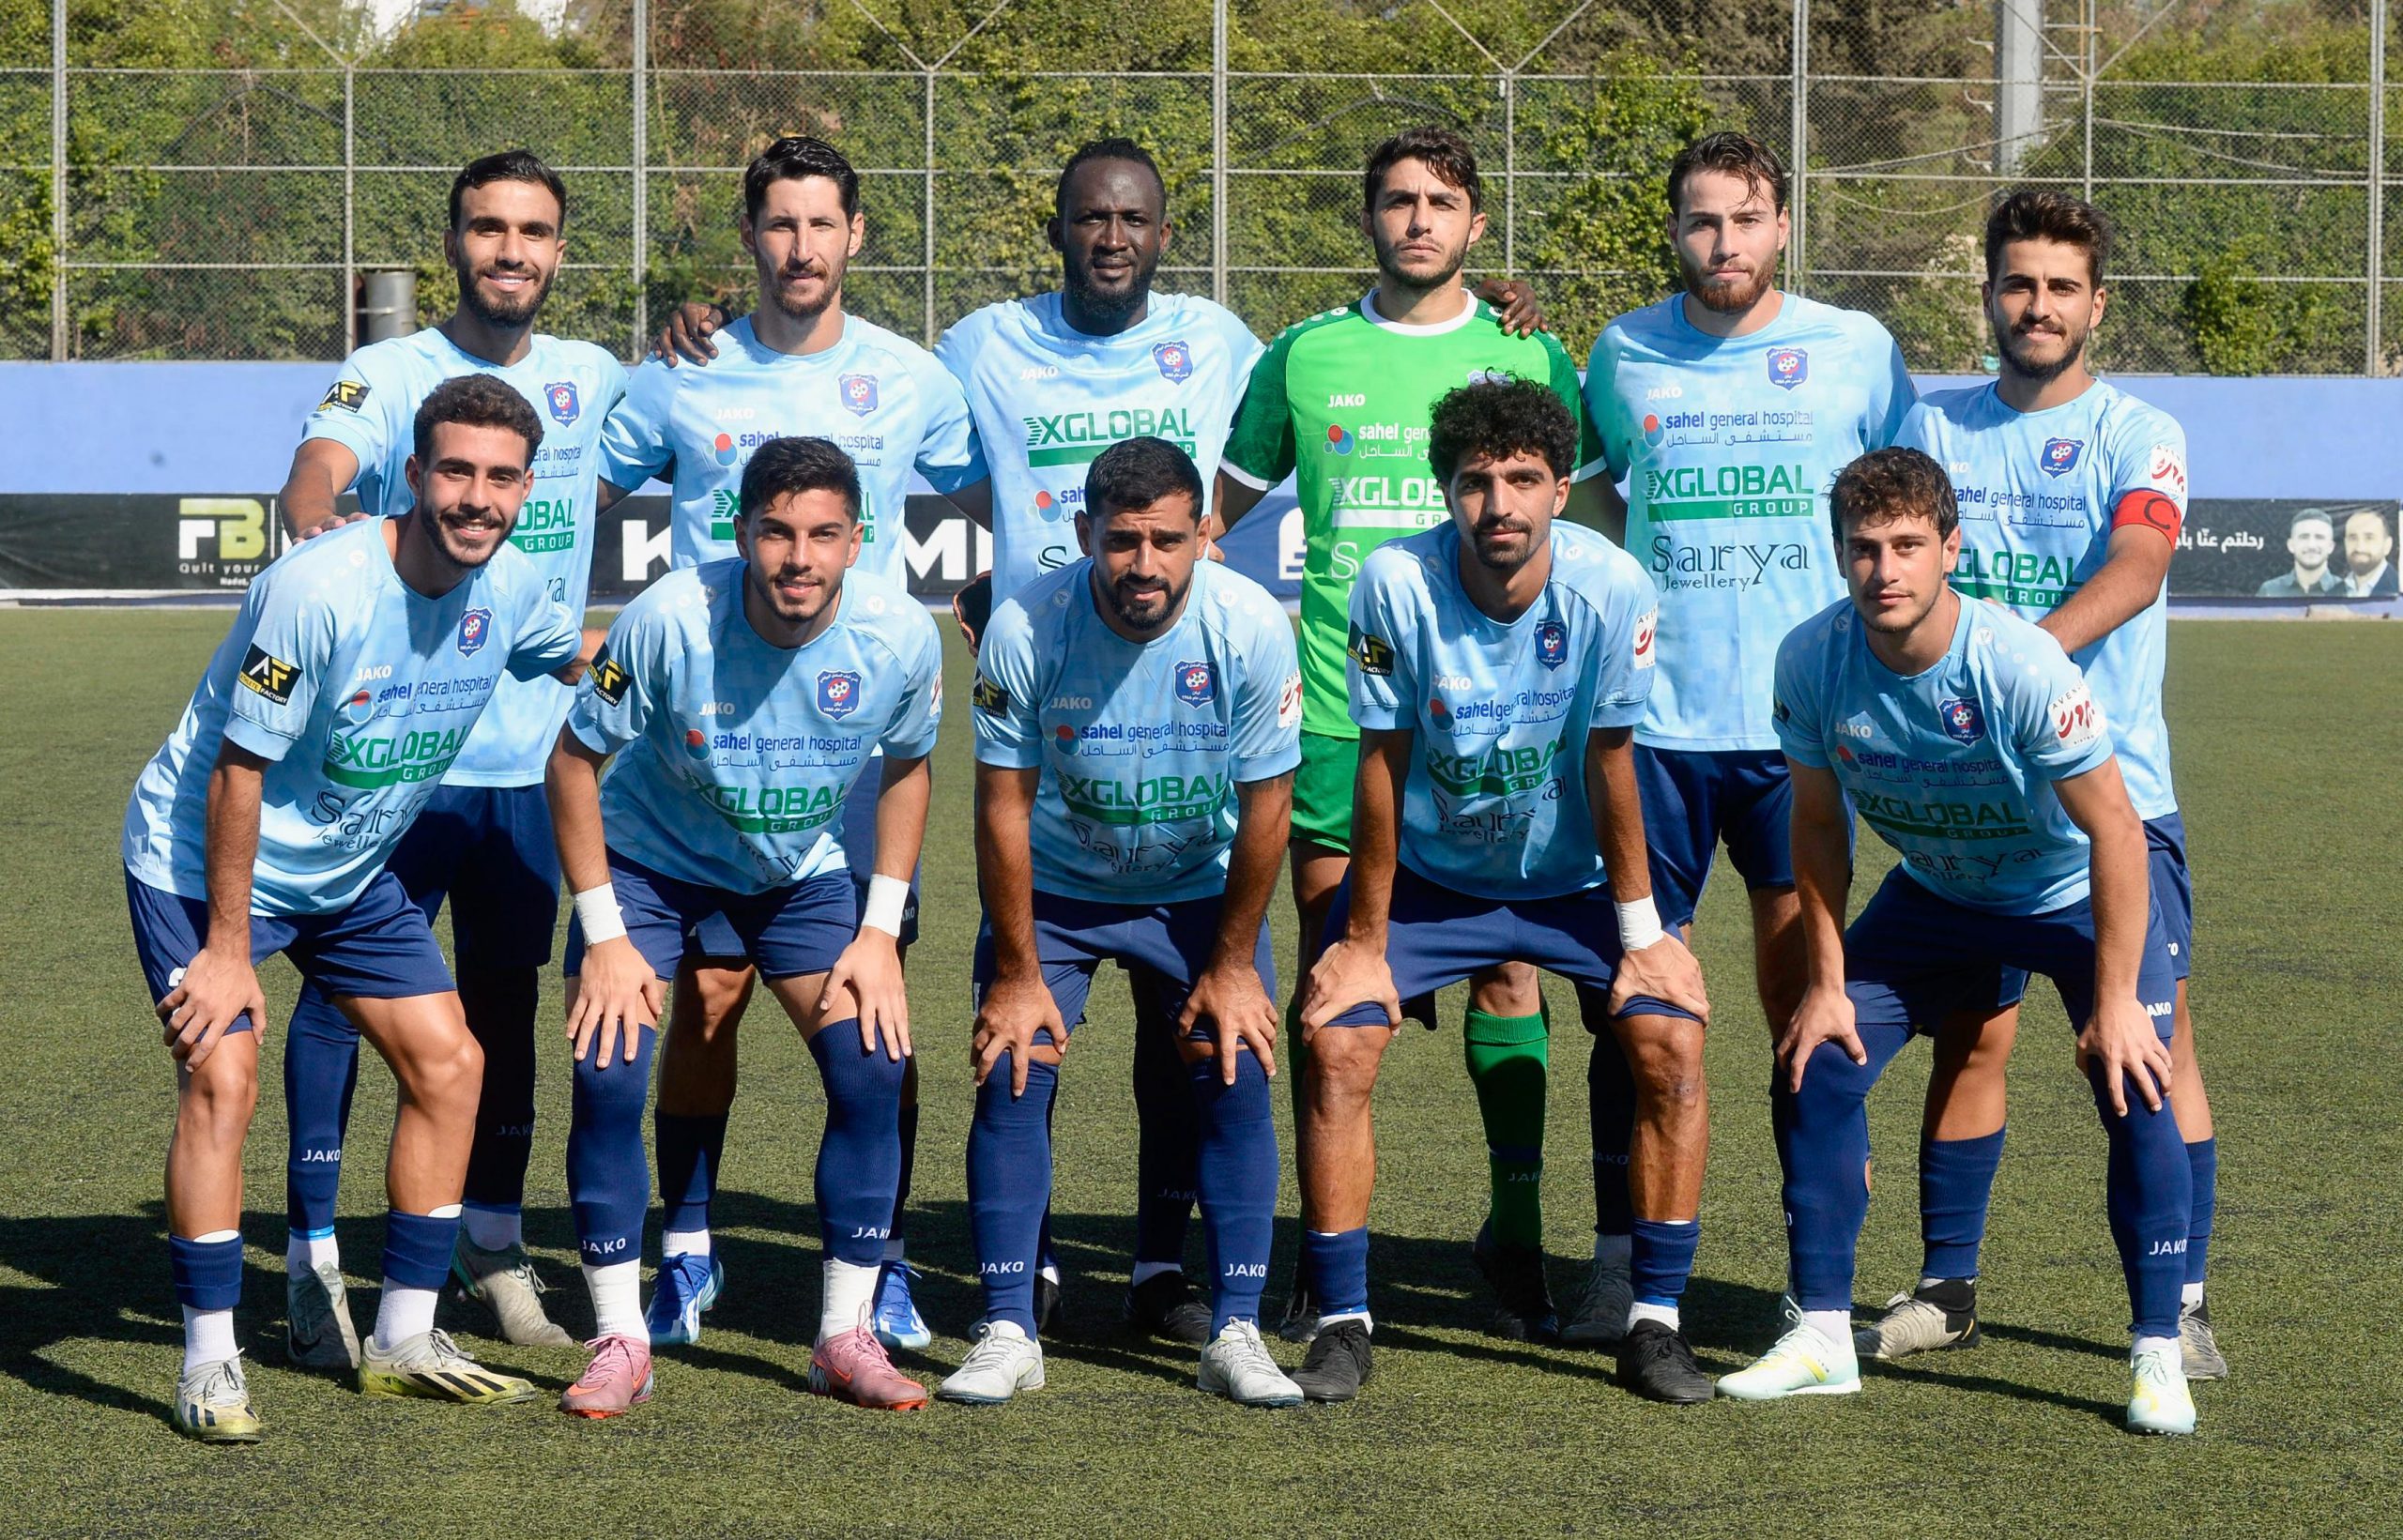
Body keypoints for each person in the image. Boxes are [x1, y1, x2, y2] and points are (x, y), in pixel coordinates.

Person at [124, 375, 583, 1441]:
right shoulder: (317, 589)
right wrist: (227, 950)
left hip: (343, 867)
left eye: (501, 478)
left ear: (526, 490)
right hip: (202, 861)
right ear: (414, 475)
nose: (476, 498)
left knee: (451, 1064)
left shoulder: (514, 587)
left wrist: (685, 661)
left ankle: (405, 1339)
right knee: (222, 1074)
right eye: (455, 471)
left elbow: (581, 662)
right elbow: (237, 770)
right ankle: (208, 1362)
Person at [1214, 127, 1611, 1343]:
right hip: (1345, 721)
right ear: (1369, 218)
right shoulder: (1304, 355)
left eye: (1442, 201)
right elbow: (1214, 514)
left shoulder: (1530, 349)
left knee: (1508, 966)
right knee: (1335, 983)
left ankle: (1515, 1229)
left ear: (1477, 223)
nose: (1419, 220)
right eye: (1398, 200)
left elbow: (1588, 529)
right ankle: (1322, 1254)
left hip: (1502, 716)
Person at [593, 135, 988, 1353]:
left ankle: (886, 1261)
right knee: (705, 1001)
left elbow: (994, 492)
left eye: (823, 224)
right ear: (750, 236)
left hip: (843, 742)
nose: (801, 247)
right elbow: (579, 494)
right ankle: (688, 1245)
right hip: (704, 737)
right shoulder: (685, 369)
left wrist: (1000, 605)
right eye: (780, 224)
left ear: (855, 235)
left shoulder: (913, 379)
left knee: (874, 1008)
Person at [1722, 446, 2196, 1439]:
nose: (1883, 569)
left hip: (2068, 893)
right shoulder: (1810, 658)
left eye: (1907, 545)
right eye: (1863, 548)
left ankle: (2157, 1347)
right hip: (1938, 893)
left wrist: (2116, 1001)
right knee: (1816, 1059)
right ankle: (1821, 1334)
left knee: (2136, 1077)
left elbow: (2117, 832)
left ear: (1950, 548)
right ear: (1839, 554)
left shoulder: (2017, 662)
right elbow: (1818, 825)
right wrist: (1826, 981)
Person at [1292, 377, 1711, 1406]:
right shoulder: (1393, 582)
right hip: (1435, 876)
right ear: (1445, 491)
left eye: (1523, 479)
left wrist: (1643, 933)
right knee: (1338, 1038)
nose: (1499, 504)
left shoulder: (1612, 587)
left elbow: (1612, 761)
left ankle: (1655, 1320)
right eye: (1476, 481)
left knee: (1671, 1038)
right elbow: (1381, 761)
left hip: (1574, 880)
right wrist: (1364, 940)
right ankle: (1341, 1316)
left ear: (1561, 490)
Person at [270, 148, 625, 1361]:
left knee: (504, 1009)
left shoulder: (596, 377)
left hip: (529, 768)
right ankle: (313, 1254)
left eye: (532, 231)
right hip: (396, 769)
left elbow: (689, 450)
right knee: (339, 999)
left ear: (559, 250)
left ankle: (492, 1241)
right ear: (454, 243)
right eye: (487, 227)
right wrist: (315, 522)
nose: (509, 250)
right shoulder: (389, 373)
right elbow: (316, 472)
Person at [1572, 130, 1914, 1347]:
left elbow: (1905, 508)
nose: (1723, 242)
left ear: (1782, 225)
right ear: (1675, 231)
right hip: (1656, 733)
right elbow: (1596, 498)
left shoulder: (1855, 350)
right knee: (1634, 1002)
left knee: (1806, 1000)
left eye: (1745, 219)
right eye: (1701, 221)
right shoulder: (1622, 352)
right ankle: (1618, 1258)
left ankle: (1809, 1276)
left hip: (1800, 735)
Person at [1885, 190, 2224, 1380]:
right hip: (1966, 799)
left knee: (2146, 1053)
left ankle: (2180, 1301)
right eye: (2019, 284)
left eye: (2061, 288)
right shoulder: (1932, 429)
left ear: (2096, 306)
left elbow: (2137, 563)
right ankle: (1946, 1287)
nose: (2038, 306)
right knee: (1969, 1039)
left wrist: (2016, 662)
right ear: (1987, 294)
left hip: (2109, 803)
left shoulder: (2140, 432)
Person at [546, 435, 941, 1418]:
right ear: (741, 533)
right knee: (608, 1069)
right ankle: (620, 1338)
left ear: (857, 540)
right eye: (776, 533)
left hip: (795, 874)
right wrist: (604, 934)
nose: (798, 558)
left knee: (875, 1064)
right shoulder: (667, 618)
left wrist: (878, 932)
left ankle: (843, 1336)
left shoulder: (900, 635)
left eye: (822, 535)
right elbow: (571, 763)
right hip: (650, 866)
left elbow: (908, 770)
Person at [937, 436, 1304, 1408]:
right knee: (1013, 1064)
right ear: (1084, 532)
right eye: (1123, 541)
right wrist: (1017, 973)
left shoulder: (1249, 625)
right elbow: (1001, 807)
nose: (1145, 564)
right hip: (1058, 889)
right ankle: (1008, 1327)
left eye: (1168, 541)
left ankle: (1235, 1330)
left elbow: (1269, 804)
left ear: (1203, 535)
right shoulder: (1025, 627)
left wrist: (1233, 964)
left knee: (1233, 1063)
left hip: (1195, 887)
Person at [2255, 509, 2344, 597]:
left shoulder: (2346, 591)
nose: (2311, 545)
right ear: (2291, 545)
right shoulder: (2270, 591)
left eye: (2319, 537)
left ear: (2331, 547)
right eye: (2304, 537)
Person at [2341, 507, 2395, 597]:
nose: (2359, 548)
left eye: (2369, 538)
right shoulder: (2333, 591)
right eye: (2353, 538)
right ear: (2345, 543)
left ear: (2387, 545)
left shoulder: (2398, 585)